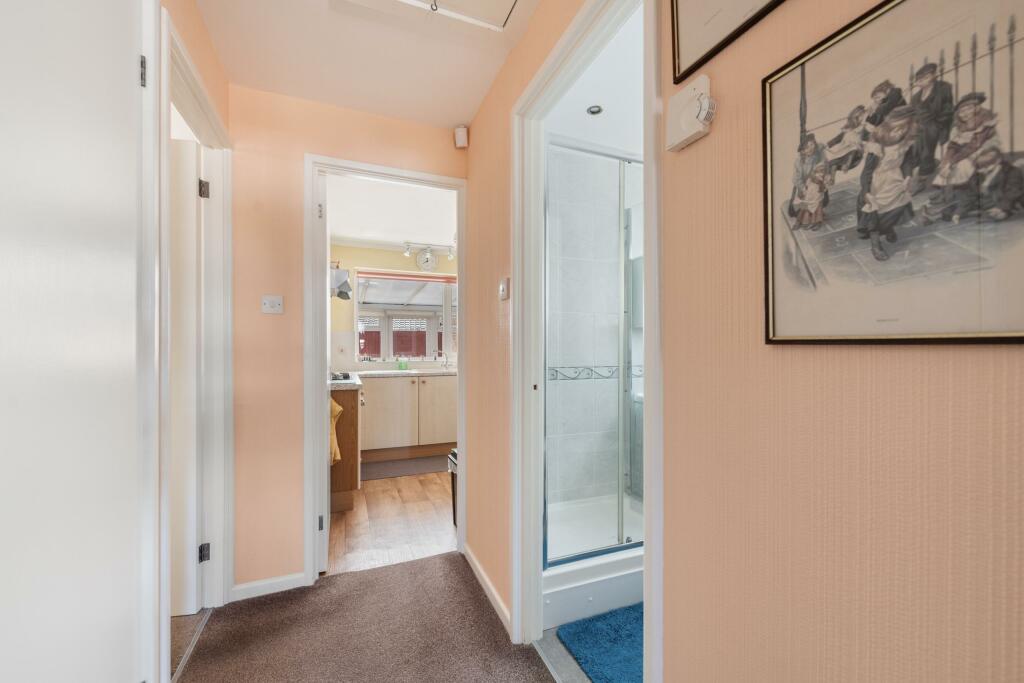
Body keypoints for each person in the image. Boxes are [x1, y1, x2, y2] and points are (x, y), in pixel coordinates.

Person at [857, 105, 919, 261]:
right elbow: (867, 172)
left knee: (897, 207)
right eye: (896, 128)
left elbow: (907, 161)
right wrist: (866, 191)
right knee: (876, 210)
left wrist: (908, 176)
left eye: (903, 128)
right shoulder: (877, 144)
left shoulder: (906, 142)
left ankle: (888, 228)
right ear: (889, 125)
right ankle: (875, 242)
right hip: (878, 181)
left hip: (895, 178)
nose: (898, 132)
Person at [932, 92, 1000, 189]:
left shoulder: (985, 123)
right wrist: (947, 160)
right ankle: (948, 189)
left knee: (962, 165)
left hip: (984, 151)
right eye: (962, 111)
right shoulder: (959, 127)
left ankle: (962, 187)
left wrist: (952, 162)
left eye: (969, 109)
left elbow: (974, 145)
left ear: (977, 109)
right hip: (964, 153)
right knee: (946, 167)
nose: (965, 114)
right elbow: (953, 146)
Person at [941, 148, 1024, 223]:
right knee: (951, 209)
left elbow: (1012, 193)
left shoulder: (1011, 172)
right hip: (985, 204)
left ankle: (1003, 213)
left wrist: (1002, 208)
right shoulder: (979, 173)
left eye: (986, 166)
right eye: (980, 167)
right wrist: (959, 212)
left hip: (1006, 204)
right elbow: (970, 194)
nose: (982, 170)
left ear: (998, 161)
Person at [910, 63, 954, 181]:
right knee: (912, 141)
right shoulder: (915, 97)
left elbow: (947, 109)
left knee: (926, 137)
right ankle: (917, 168)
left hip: (935, 124)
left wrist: (937, 124)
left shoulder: (943, 88)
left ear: (933, 76)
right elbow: (912, 114)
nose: (922, 81)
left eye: (927, 77)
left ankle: (924, 173)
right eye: (920, 79)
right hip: (919, 126)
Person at [825, 105, 868, 183]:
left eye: (863, 116)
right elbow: (838, 138)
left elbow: (868, 137)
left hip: (855, 151)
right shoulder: (847, 129)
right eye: (860, 116)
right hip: (843, 150)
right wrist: (828, 144)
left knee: (853, 148)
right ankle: (831, 178)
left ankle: (847, 164)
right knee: (833, 162)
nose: (862, 118)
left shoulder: (862, 129)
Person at [789, 133, 827, 219]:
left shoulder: (817, 155)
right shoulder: (799, 162)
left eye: (812, 145)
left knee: (820, 198)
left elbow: (823, 167)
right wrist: (803, 188)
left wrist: (820, 180)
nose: (810, 148)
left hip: (817, 184)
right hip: (804, 186)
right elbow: (796, 178)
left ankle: (817, 216)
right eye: (806, 147)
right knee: (804, 204)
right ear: (802, 150)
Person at [793, 163, 830, 230]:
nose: (820, 173)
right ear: (815, 171)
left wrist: (822, 183)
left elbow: (824, 188)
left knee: (817, 209)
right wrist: (804, 193)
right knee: (805, 208)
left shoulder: (824, 179)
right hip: (809, 196)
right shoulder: (810, 178)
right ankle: (800, 222)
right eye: (819, 171)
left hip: (817, 197)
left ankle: (817, 223)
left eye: (822, 171)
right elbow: (806, 187)